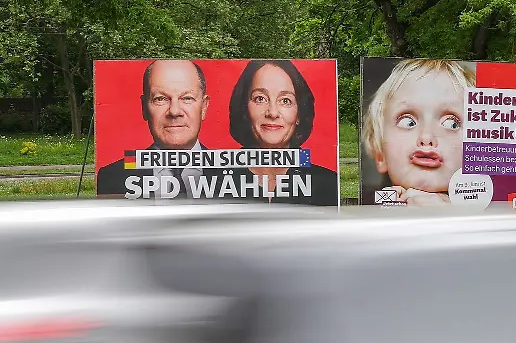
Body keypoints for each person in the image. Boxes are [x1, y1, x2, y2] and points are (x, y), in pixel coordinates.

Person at [96, 59, 218, 199]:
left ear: (204, 107)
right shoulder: (112, 176)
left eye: (187, 98)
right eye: (160, 99)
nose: (174, 111)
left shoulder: (235, 173)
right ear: (144, 108)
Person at [362, 59, 474, 206]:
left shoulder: (494, 213)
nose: (426, 137)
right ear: (380, 154)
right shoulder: (362, 205)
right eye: (408, 122)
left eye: (451, 123)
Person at [227, 59, 338, 206]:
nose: (272, 113)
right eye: (260, 99)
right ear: (244, 109)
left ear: (299, 113)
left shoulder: (328, 184)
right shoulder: (216, 182)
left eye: (285, 101)